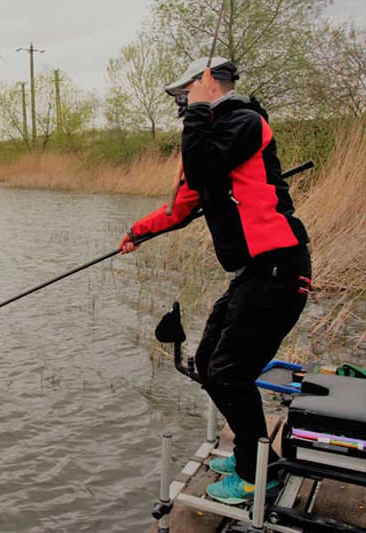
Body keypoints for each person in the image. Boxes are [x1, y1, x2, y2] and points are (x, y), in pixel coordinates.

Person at [119, 57, 312, 505]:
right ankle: (251, 453)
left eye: (185, 94)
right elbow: (179, 208)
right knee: (209, 364)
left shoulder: (244, 122)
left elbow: (202, 167)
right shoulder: (211, 138)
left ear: (207, 83)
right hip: (255, 273)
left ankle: (257, 475)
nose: (182, 104)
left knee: (228, 371)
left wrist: (200, 111)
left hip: (281, 269)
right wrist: (136, 233)